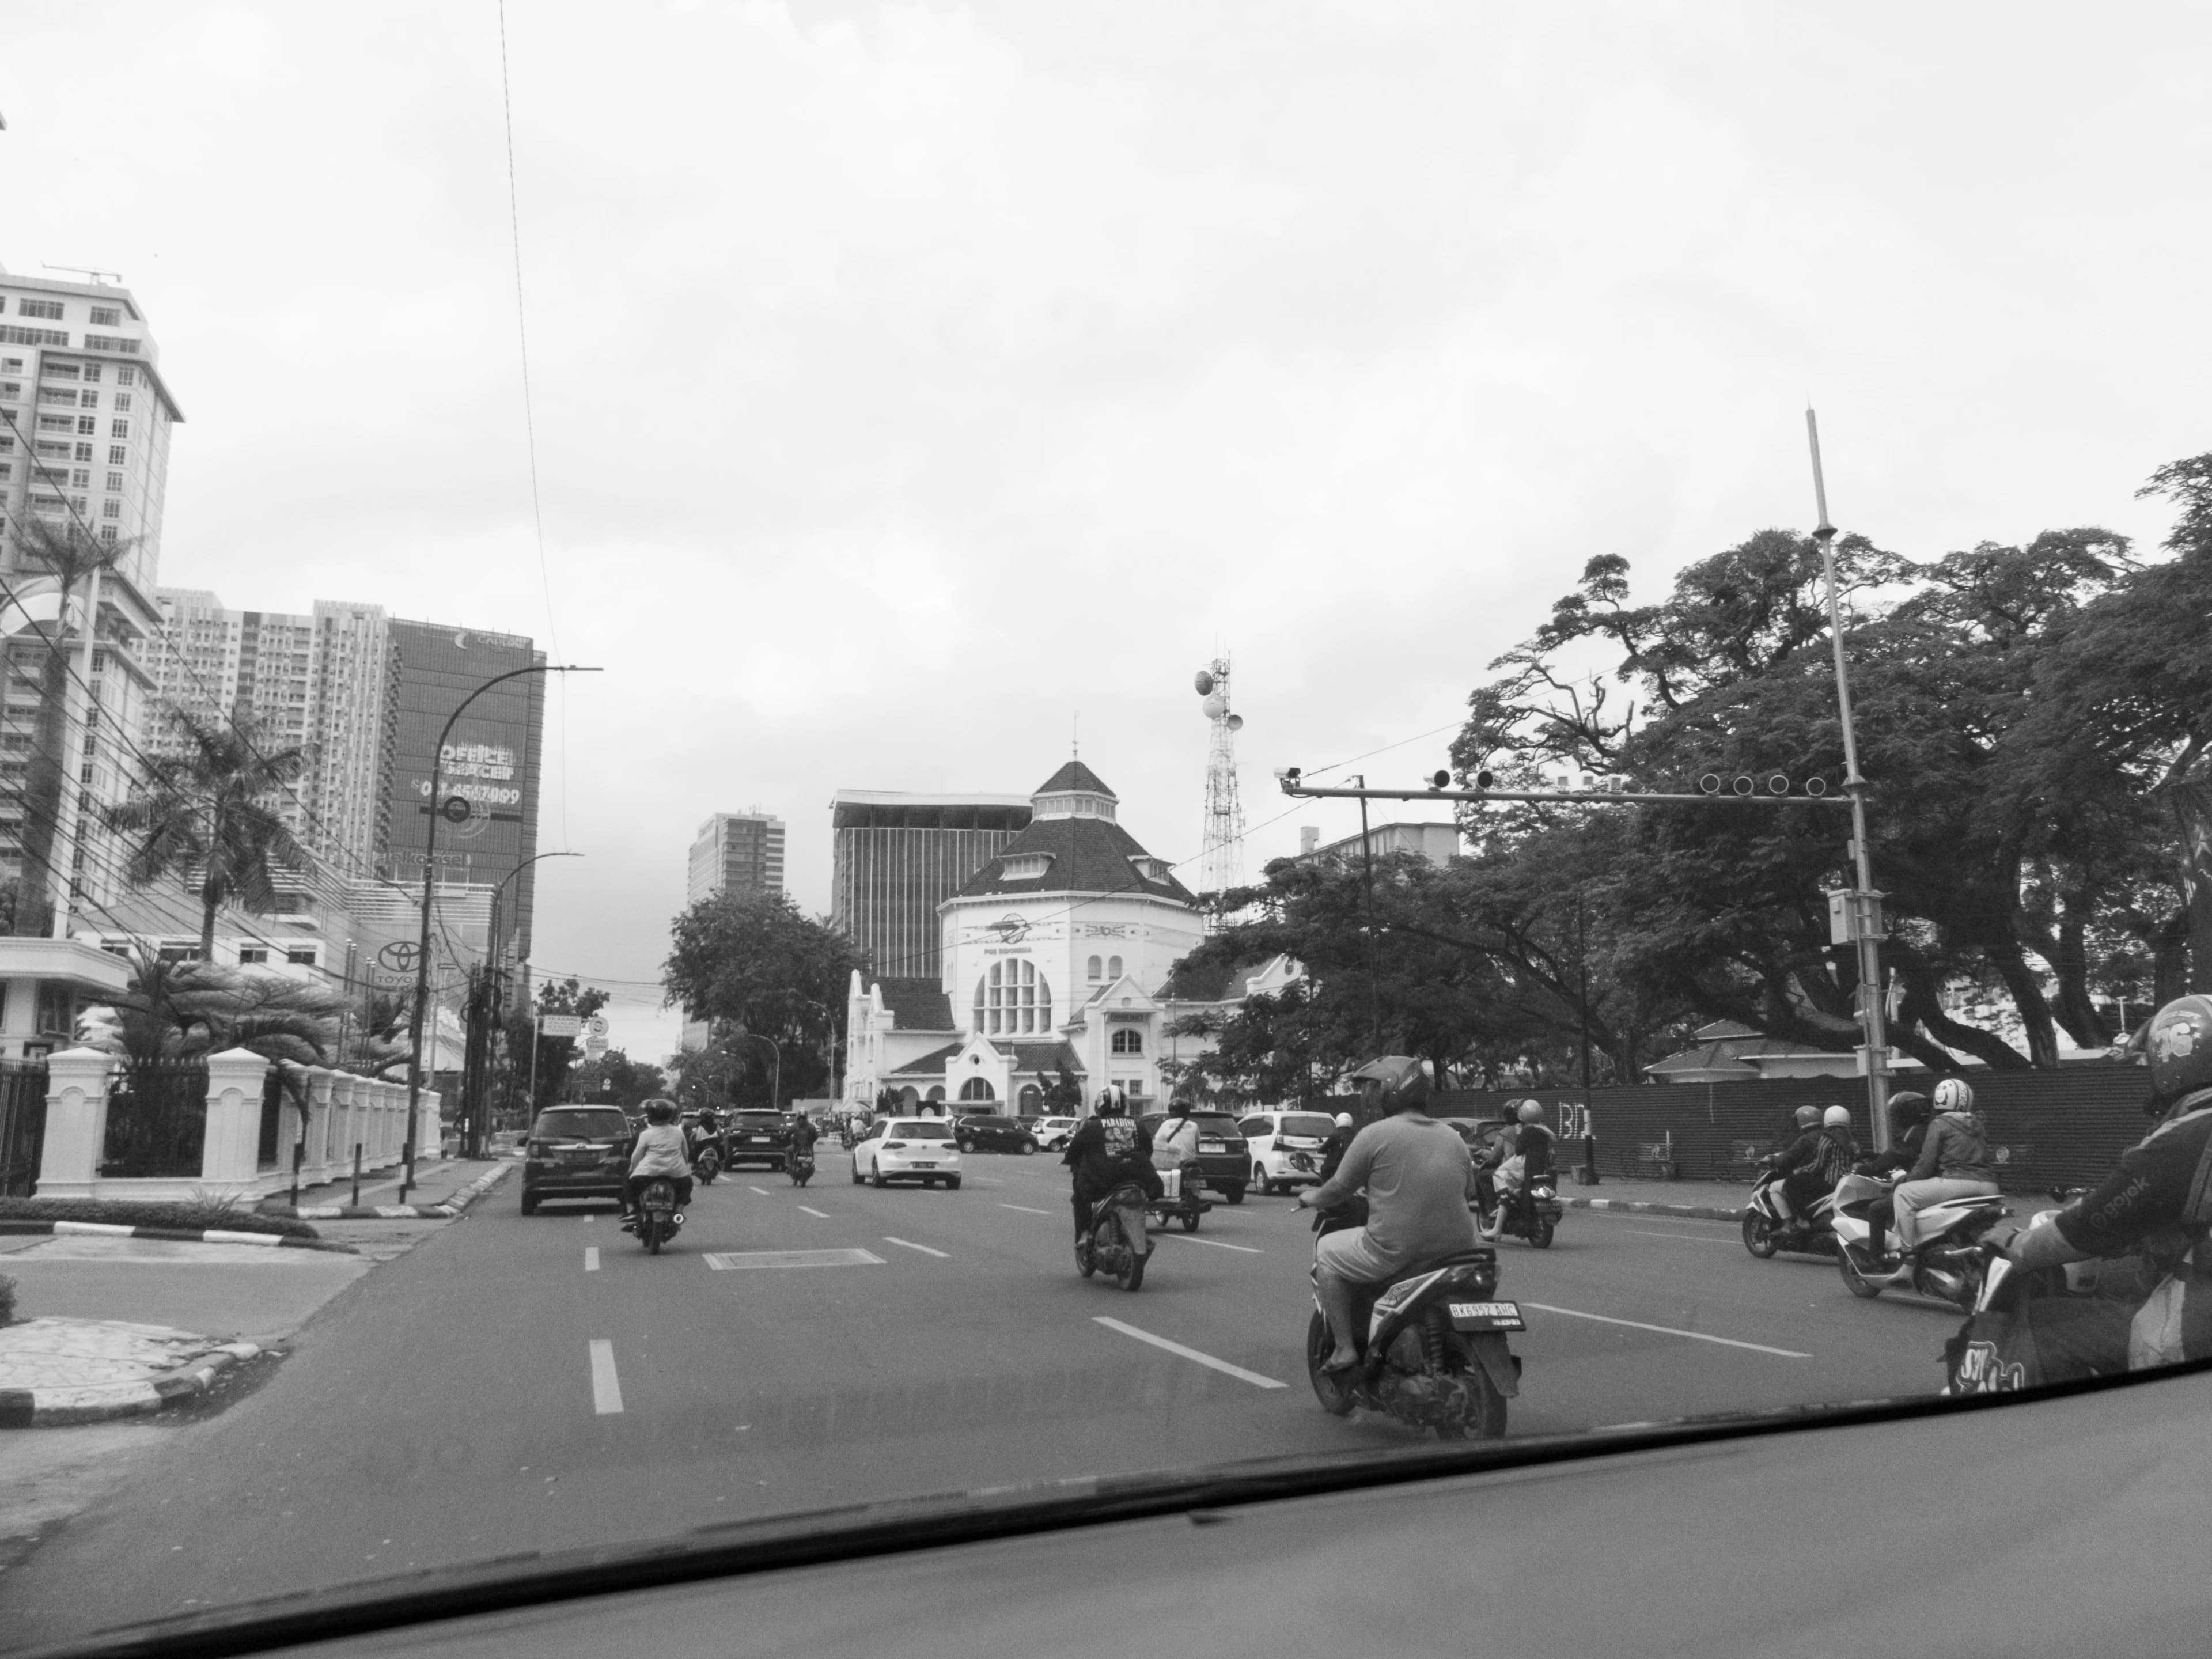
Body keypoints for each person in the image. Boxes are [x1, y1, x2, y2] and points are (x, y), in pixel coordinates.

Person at [2000, 994, 2212, 1374]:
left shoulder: (2183, 1140)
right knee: (2118, 1283)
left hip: (2195, 1330)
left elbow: (2085, 1226)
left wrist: (2015, 1247)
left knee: (2043, 1320)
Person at [1294, 1056, 1476, 1371]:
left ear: (1392, 1091)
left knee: (1326, 1253)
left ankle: (1346, 1349)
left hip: (1396, 1252)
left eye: (1373, 1088)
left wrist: (1311, 1196)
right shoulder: (1453, 1137)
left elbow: (1338, 1189)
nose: (1367, 1096)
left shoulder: (1374, 1135)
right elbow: (1469, 1191)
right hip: (1458, 1251)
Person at [1892, 1078, 1998, 1255]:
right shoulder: (1978, 1124)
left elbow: (1926, 1164)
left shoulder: (1939, 1123)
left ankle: (1908, 1252)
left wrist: (1906, 1180)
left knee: (1903, 1194)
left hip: (1957, 1183)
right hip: (1990, 1186)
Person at [1062, 1092, 1158, 1244]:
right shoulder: (1138, 1126)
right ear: (1124, 1106)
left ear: (1100, 1106)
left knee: (1080, 1195)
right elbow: (1148, 1150)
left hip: (1107, 1181)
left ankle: (1085, 1233)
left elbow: (1074, 1153)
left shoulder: (1092, 1127)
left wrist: (1071, 1161)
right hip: (1140, 1179)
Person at [1856, 1090, 1931, 1260]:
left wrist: (1862, 1169)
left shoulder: (1910, 1135)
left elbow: (1888, 1161)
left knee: (1876, 1209)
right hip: (1940, 1181)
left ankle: (1875, 1259)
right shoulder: (1932, 1127)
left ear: (1905, 1114)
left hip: (1921, 1186)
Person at [1473, 1100, 1555, 1230]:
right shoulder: (1543, 1131)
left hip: (1515, 1171)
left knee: (1484, 1177)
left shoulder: (1509, 1132)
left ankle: (1495, 1209)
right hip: (1539, 1170)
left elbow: (1496, 1156)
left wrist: (1484, 1153)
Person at [620, 1099, 693, 1229]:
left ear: (650, 1116)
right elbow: (685, 1154)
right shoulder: (678, 1132)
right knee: (688, 1184)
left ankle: (632, 1211)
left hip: (647, 1174)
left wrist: (632, 1170)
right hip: (676, 1174)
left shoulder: (646, 1134)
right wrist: (684, 1168)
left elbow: (637, 1156)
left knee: (628, 1181)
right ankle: (679, 1211)